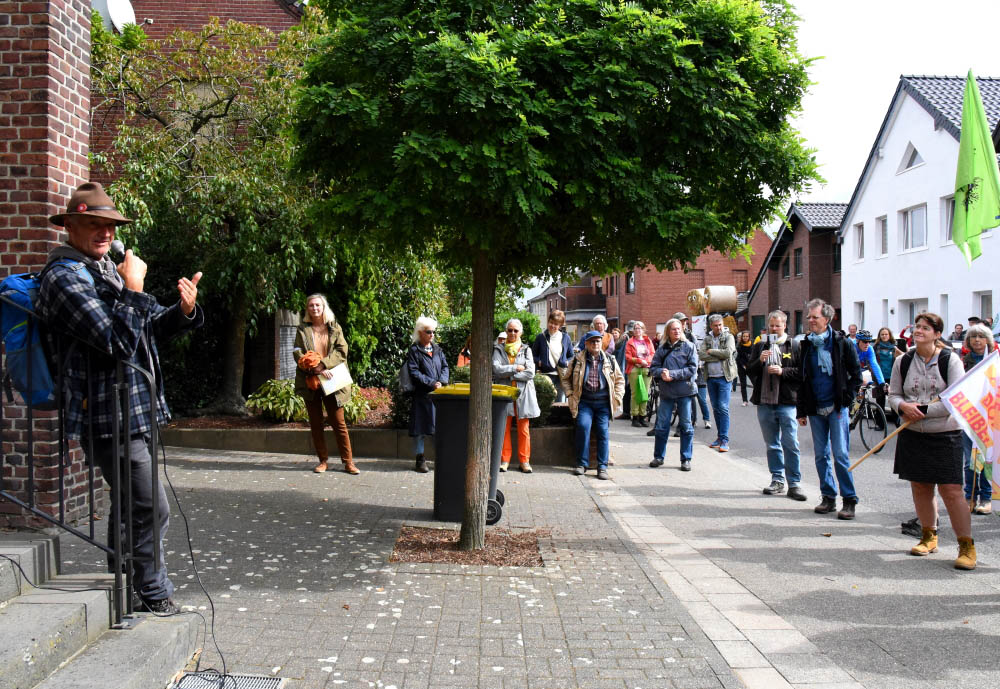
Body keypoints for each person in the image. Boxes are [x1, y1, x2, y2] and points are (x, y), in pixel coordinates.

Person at [38, 182, 205, 615]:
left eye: (110, 226)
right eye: (94, 224)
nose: (105, 233)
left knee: (130, 504)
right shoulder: (63, 278)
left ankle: (124, 584)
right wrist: (132, 287)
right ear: (70, 225)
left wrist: (183, 311)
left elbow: (145, 330)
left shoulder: (103, 271)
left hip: (136, 410)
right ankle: (152, 591)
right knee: (150, 506)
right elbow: (116, 341)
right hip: (106, 414)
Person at [888, 312, 975, 569]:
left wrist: (922, 411)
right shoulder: (903, 361)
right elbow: (893, 394)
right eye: (917, 326)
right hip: (912, 434)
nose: (919, 331)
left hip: (945, 434)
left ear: (937, 334)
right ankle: (928, 536)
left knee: (952, 491)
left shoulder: (950, 360)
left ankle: (966, 546)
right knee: (920, 486)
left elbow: (954, 400)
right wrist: (903, 406)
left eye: (926, 328)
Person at [797, 298, 862, 520]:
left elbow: (856, 376)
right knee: (820, 455)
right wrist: (801, 410)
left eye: (814, 317)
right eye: (809, 317)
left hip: (837, 408)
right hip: (815, 408)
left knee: (840, 455)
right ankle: (828, 497)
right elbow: (803, 379)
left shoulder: (842, 343)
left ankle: (849, 500)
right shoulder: (806, 344)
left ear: (827, 319)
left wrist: (846, 399)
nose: (810, 320)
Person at [293, 294, 357, 475]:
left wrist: (323, 365)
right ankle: (323, 461)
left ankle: (348, 462)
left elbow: (342, 351)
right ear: (307, 309)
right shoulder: (302, 329)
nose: (314, 308)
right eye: (311, 305)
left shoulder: (334, 327)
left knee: (339, 422)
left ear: (323, 307)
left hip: (332, 379)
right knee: (316, 423)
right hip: (311, 380)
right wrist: (315, 368)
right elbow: (297, 352)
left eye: (317, 305)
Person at [748, 311, 806, 501]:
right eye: (771, 325)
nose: (774, 329)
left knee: (791, 443)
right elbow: (749, 370)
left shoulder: (794, 345)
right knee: (772, 444)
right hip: (765, 402)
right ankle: (777, 479)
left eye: (777, 325)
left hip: (787, 402)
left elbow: (802, 373)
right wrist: (760, 361)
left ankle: (794, 483)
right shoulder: (760, 345)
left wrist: (783, 371)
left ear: (785, 326)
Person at [564, 330, 625, 479]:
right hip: (585, 402)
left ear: (601, 343)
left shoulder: (610, 359)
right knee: (583, 427)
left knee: (603, 432)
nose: (595, 344)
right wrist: (570, 394)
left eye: (598, 341)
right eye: (592, 341)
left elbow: (620, 380)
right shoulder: (578, 359)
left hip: (603, 403)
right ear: (586, 343)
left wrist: (617, 397)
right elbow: (566, 379)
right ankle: (581, 464)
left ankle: (602, 467)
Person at [649, 318, 698, 470]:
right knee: (662, 426)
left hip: (685, 391)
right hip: (667, 393)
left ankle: (686, 459)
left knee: (686, 426)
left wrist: (673, 374)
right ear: (667, 332)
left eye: (678, 328)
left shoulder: (689, 346)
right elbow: (653, 368)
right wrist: (661, 372)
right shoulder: (662, 348)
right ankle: (658, 457)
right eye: (673, 329)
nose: (677, 331)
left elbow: (692, 369)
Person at [493, 318, 540, 473]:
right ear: (506, 331)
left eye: (515, 330)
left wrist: (510, 374)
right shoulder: (498, 349)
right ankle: (504, 460)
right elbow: (496, 369)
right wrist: (515, 368)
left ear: (521, 332)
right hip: (504, 393)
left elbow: (530, 373)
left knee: (524, 430)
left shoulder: (526, 350)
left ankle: (524, 461)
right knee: (504, 428)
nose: (512, 333)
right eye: (510, 330)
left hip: (523, 394)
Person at [406, 316, 449, 473]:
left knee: (439, 428)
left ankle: (441, 458)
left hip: (437, 395)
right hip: (422, 395)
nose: (432, 335)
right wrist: (431, 383)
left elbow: (445, 367)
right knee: (420, 429)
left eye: (433, 332)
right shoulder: (414, 350)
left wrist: (441, 381)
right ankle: (420, 459)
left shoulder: (437, 349)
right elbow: (414, 372)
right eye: (428, 332)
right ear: (420, 332)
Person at [962, 325, 995, 515]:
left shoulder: (995, 360)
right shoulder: (962, 361)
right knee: (970, 460)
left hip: (990, 417)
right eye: (973, 336)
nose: (977, 340)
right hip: (969, 415)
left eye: (981, 336)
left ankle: (986, 498)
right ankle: (970, 497)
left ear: (988, 340)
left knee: (987, 459)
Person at [699, 314, 736, 452]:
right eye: (716, 325)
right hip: (711, 377)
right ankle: (719, 438)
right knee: (715, 408)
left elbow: (728, 353)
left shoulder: (729, 337)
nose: (719, 327)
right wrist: (717, 357)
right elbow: (701, 355)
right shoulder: (707, 339)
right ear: (711, 326)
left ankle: (725, 439)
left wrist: (712, 352)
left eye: (720, 325)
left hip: (724, 377)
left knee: (723, 407)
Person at [531, 309, 573, 404]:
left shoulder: (565, 338)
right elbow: (533, 355)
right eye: (551, 322)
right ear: (548, 321)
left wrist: (566, 362)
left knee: (559, 403)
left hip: (561, 376)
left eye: (556, 324)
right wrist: (540, 362)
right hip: (545, 375)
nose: (552, 326)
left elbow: (571, 356)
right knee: (545, 403)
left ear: (560, 325)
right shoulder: (541, 337)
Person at [624, 321, 654, 427]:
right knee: (635, 393)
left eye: (639, 328)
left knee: (645, 393)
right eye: (635, 328)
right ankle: (635, 417)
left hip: (646, 369)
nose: (637, 330)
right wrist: (639, 361)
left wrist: (646, 361)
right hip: (634, 369)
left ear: (643, 329)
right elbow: (628, 357)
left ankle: (642, 416)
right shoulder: (630, 342)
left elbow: (652, 354)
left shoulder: (648, 341)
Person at [854, 330, 888, 419]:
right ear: (858, 341)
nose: (867, 344)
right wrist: (859, 379)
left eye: (869, 342)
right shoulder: (852, 347)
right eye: (865, 342)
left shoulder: (869, 349)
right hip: (847, 369)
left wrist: (882, 383)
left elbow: (874, 365)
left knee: (861, 392)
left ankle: (854, 411)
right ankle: (849, 412)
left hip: (859, 370)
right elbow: (849, 367)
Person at [614, 321, 633, 419]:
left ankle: (639, 414)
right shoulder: (624, 338)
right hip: (625, 365)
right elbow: (616, 347)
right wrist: (622, 339)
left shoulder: (640, 338)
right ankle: (626, 412)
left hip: (636, 365)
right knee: (626, 389)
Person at [735, 330, 753, 405]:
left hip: (751, 366)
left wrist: (750, 365)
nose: (745, 338)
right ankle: (745, 401)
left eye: (747, 336)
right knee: (743, 384)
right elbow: (738, 358)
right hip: (741, 366)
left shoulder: (752, 345)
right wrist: (743, 365)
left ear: (749, 337)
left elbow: (753, 356)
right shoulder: (739, 346)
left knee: (755, 383)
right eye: (744, 336)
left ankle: (755, 398)